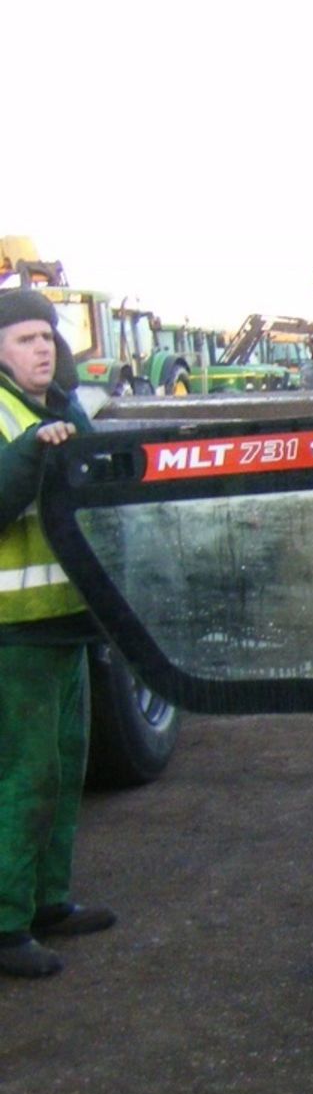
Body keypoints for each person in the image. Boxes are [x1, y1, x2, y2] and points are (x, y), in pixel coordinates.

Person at [0, 289, 116, 979]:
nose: (41, 348)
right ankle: (6, 923)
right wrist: (32, 453)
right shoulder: (17, 421)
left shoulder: (62, 409)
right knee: (23, 775)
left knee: (65, 764)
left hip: (64, 623)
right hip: (12, 634)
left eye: (47, 336)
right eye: (23, 339)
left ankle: (48, 902)